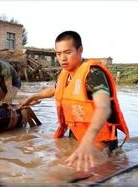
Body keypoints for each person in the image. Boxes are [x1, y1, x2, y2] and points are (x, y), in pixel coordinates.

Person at [20, 31, 129, 171]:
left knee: (84, 173)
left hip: (99, 138)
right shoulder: (65, 74)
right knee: (53, 168)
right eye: (58, 54)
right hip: (77, 135)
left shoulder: (93, 73)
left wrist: (87, 142)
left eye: (67, 52)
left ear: (80, 50)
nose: (62, 58)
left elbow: (104, 107)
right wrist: (32, 98)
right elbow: (55, 90)